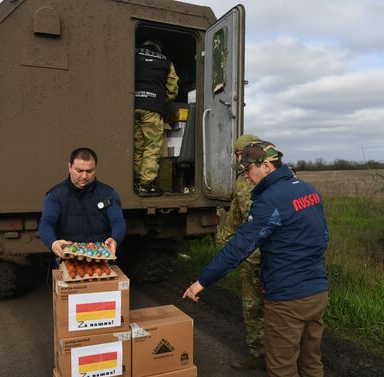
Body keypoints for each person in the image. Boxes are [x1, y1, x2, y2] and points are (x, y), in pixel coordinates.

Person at [183, 141, 329, 377]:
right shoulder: (308, 190)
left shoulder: (270, 200)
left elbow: (240, 247)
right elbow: (323, 237)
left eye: (249, 170)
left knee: (282, 368)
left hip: (287, 300)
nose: (247, 177)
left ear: (267, 166)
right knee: (311, 363)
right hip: (317, 292)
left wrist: (202, 281)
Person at [215, 134, 265, 370]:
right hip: (249, 257)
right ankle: (258, 353)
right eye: (236, 155)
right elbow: (234, 217)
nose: (238, 159)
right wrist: (222, 248)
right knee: (251, 307)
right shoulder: (241, 181)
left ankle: (283, 358)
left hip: (274, 260)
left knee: (277, 311)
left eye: (241, 154)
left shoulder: (278, 178)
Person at [39, 147, 127, 262]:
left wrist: (115, 239)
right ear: (69, 167)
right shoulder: (55, 195)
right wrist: (52, 242)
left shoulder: (108, 194)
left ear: (95, 169)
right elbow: (46, 222)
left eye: (89, 171)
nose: (85, 176)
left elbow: (118, 220)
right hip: (68, 260)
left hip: (101, 259)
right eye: (79, 171)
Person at [134, 39, 179, 197]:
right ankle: (146, 185)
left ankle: (136, 180)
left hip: (132, 105)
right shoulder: (166, 61)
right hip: (152, 108)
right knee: (152, 147)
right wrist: (160, 100)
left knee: (138, 145)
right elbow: (172, 89)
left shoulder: (133, 53)